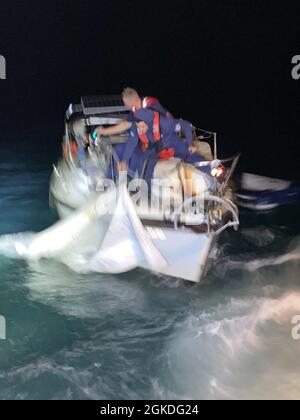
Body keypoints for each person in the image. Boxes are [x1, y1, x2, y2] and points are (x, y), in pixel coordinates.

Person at [118, 109, 206, 179]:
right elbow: (131, 143)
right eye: (138, 127)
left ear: (149, 122)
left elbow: (185, 125)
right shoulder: (136, 126)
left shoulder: (164, 123)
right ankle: (146, 192)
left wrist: (190, 144)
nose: (140, 129)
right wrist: (124, 160)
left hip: (171, 142)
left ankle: (211, 172)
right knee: (143, 163)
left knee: (190, 152)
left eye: (142, 126)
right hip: (155, 147)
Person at [95, 87, 172, 137]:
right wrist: (105, 131)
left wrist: (177, 132)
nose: (125, 105)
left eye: (125, 103)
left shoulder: (149, 103)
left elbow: (167, 114)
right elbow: (124, 124)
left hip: (168, 135)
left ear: (132, 101)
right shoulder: (134, 111)